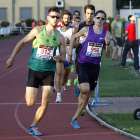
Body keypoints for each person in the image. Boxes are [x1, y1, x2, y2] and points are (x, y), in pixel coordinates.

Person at [6, 6, 65, 136]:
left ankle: (33, 126)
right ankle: (29, 83)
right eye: (53, 16)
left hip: (49, 71)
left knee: (46, 101)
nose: (55, 19)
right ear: (48, 18)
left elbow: (63, 56)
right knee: (30, 103)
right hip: (34, 70)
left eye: (57, 17)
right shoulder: (37, 31)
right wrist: (12, 58)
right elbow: (22, 42)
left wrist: (59, 58)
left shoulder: (60, 37)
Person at [67, 10, 111, 129]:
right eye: (98, 18)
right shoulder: (87, 30)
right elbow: (73, 38)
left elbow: (107, 54)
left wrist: (107, 44)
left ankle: (74, 119)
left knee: (87, 97)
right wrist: (69, 54)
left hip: (95, 66)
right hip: (83, 63)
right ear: (95, 19)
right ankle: (79, 86)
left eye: (102, 18)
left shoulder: (107, 34)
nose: (99, 20)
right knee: (85, 89)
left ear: (104, 20)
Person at [72, 5, 95, 116]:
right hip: (81, 57)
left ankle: (79, 89)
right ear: (85, 14)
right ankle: (81, 105)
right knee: (81, 81)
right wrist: (69, 54)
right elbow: (74, 40)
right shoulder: (79, 26)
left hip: (93, 59)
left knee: (88, 84)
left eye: (92, 14)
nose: (90, 16)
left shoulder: (97, 27)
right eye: (88, 13)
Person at [55, 10, 74, 102]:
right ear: (62, 19)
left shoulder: (73, 30)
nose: (66, 20)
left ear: (70, 20)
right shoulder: (57, 31)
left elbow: (77, 43)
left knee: (65, 77)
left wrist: (69, 41)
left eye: (68, 18)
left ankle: (62, 85)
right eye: (65, 18)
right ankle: (58, 95)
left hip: (69, 56)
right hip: (59, 55)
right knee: (58, 72)